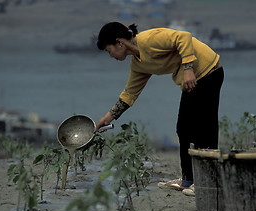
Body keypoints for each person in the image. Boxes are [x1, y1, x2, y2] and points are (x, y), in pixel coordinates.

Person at [95, 22, 224, 193]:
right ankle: (188, 180)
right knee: (183, 128)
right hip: (191, 81)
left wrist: (187, 68)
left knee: (204, 128)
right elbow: (130, 94)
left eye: (108, 50)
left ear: (119, 42)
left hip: (208, 70)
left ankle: (207, 183)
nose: (110, 55)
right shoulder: (138, 63)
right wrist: (107, 118)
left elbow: (183, 37)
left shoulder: (148, 40)